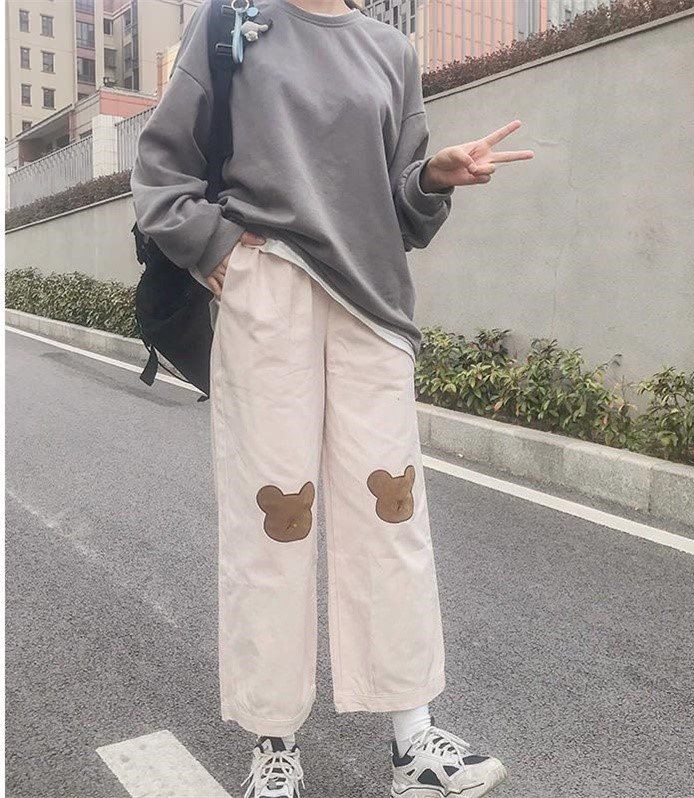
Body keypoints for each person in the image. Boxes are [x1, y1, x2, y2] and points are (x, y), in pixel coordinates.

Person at [130, 0, 534, 795]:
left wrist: (434, 178)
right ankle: (274, 744)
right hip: (268, 291)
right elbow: (161, 165)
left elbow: (401, 207)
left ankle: (413, 741)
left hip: (373, 309)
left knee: (392, 515)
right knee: (274, 520)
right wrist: (217, 251)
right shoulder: (232, 20)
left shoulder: (390, 49)